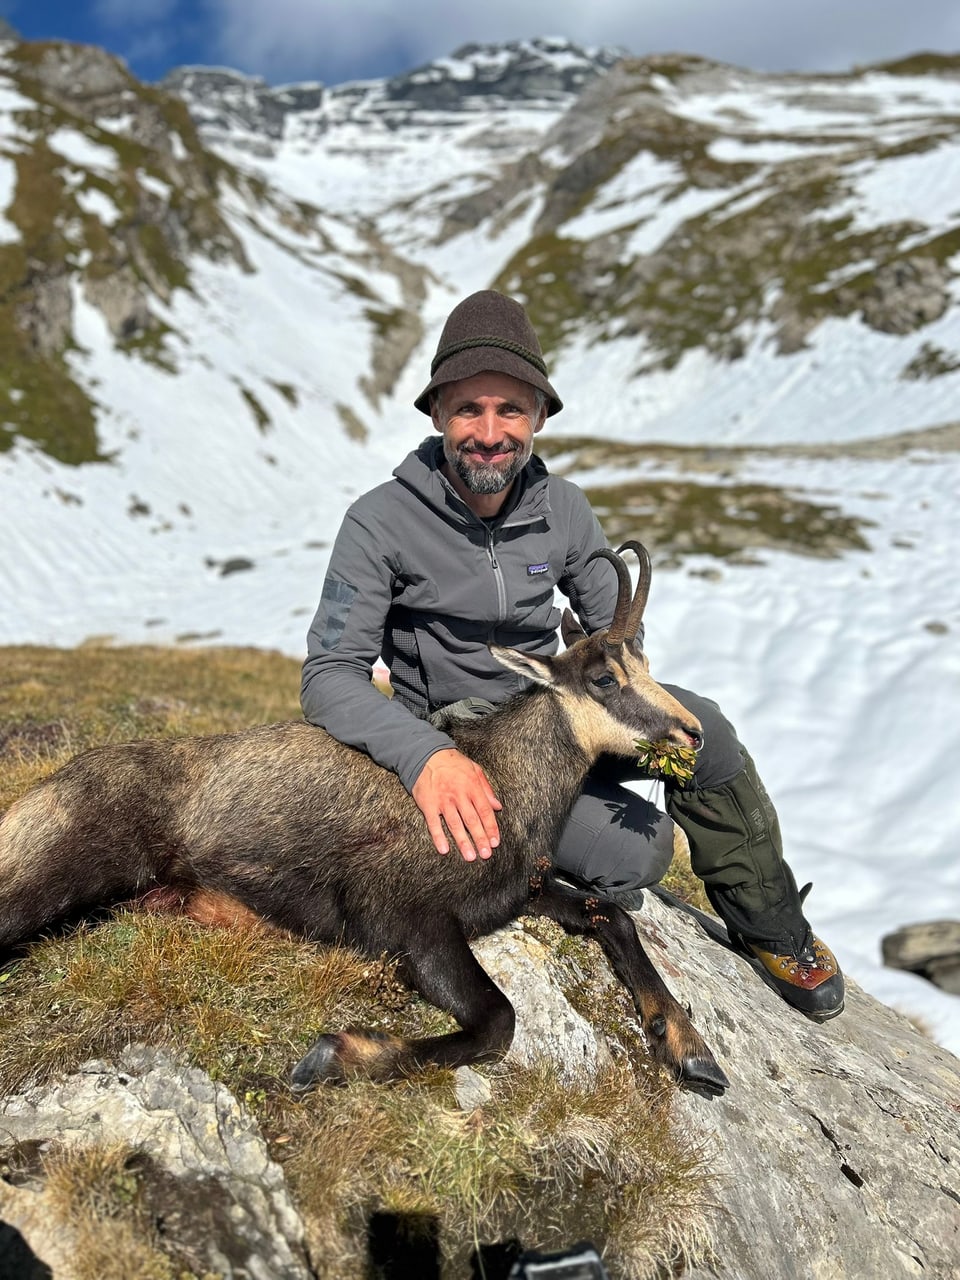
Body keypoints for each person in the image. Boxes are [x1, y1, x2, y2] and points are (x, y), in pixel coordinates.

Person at [301, 290, 844, 1020]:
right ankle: (512, 866)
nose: (490, 433)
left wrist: (602, 667)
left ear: (540, 417)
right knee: (640, 856)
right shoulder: (378, 521)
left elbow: (616, 629)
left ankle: (774, 931)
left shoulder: (564, 509)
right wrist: (424, 757)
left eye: (511, 410)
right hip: (472, 742)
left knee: (704, 736)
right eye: (469, 409)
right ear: (436, 414)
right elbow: (331, 676)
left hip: (568, 712)